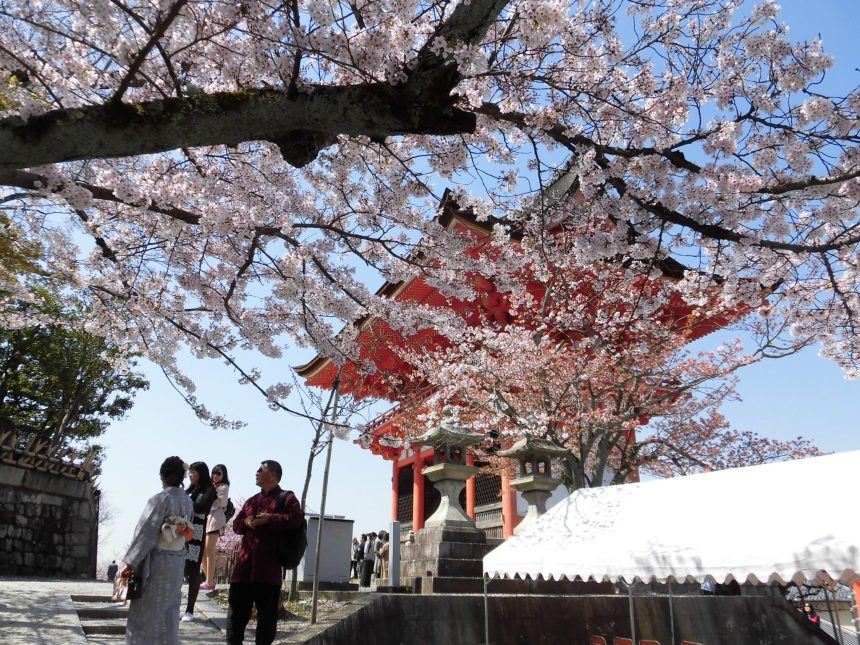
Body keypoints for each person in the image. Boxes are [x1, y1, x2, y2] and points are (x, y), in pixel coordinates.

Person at [227, 460, 303, 645]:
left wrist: (271, 519)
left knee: (266, 623)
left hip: (268, 571)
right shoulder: (252, 501)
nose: (256, 472)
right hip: (243, 571)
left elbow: (296, 519)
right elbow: (236, 525)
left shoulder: (287, 498)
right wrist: (246, 522)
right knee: (235, 621)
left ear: (273, 475)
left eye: (261, 469)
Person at [120, 456, 194, 645]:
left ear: (162, 475)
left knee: (147, 611)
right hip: (177, 562)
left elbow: (146, 534)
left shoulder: (160, 499)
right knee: (169, 611)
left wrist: (130, 562)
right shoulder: (188, 501)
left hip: (158, 562)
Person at [182, 461, 216, 622]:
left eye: (193, 472)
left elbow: (200, 507)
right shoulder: (188, 490)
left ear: (201, 473)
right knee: (180, 568)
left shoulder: (209, 490)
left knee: (193, 570)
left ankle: (190, 609)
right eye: (189, 472)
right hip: (181, 532)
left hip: (196, 532)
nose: (190, 475)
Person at [200, 463, 230, 591]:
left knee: (209, 550)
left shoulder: (224, 486)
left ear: (223, 475)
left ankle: (209, 581)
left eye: (219, 473)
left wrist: (208, 498)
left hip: (215, 519)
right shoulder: (209, 486)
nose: (215, 476)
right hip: (206, 518)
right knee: (203, 552)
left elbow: (221, 502)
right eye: (214, 473)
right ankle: (209, 580)